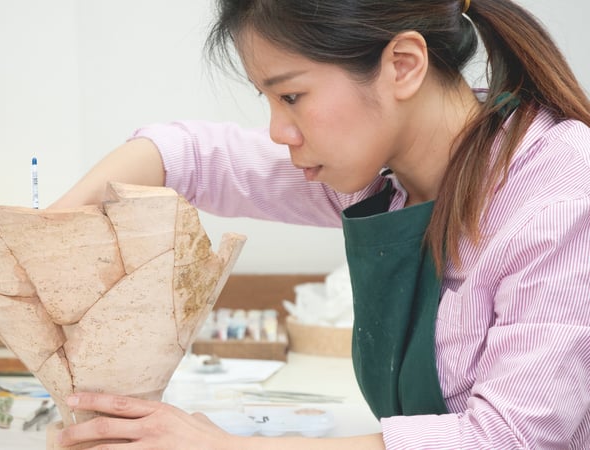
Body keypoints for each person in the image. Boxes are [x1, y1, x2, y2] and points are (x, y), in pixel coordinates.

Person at [50, 0, 590, 448]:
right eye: (267, 99)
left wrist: (228, 447)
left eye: (291, 96)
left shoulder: (560, 189)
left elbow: (512, 436)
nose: (279, 131)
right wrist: (54, 225)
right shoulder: (386, 177)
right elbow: (190, 155)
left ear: (402, 64)